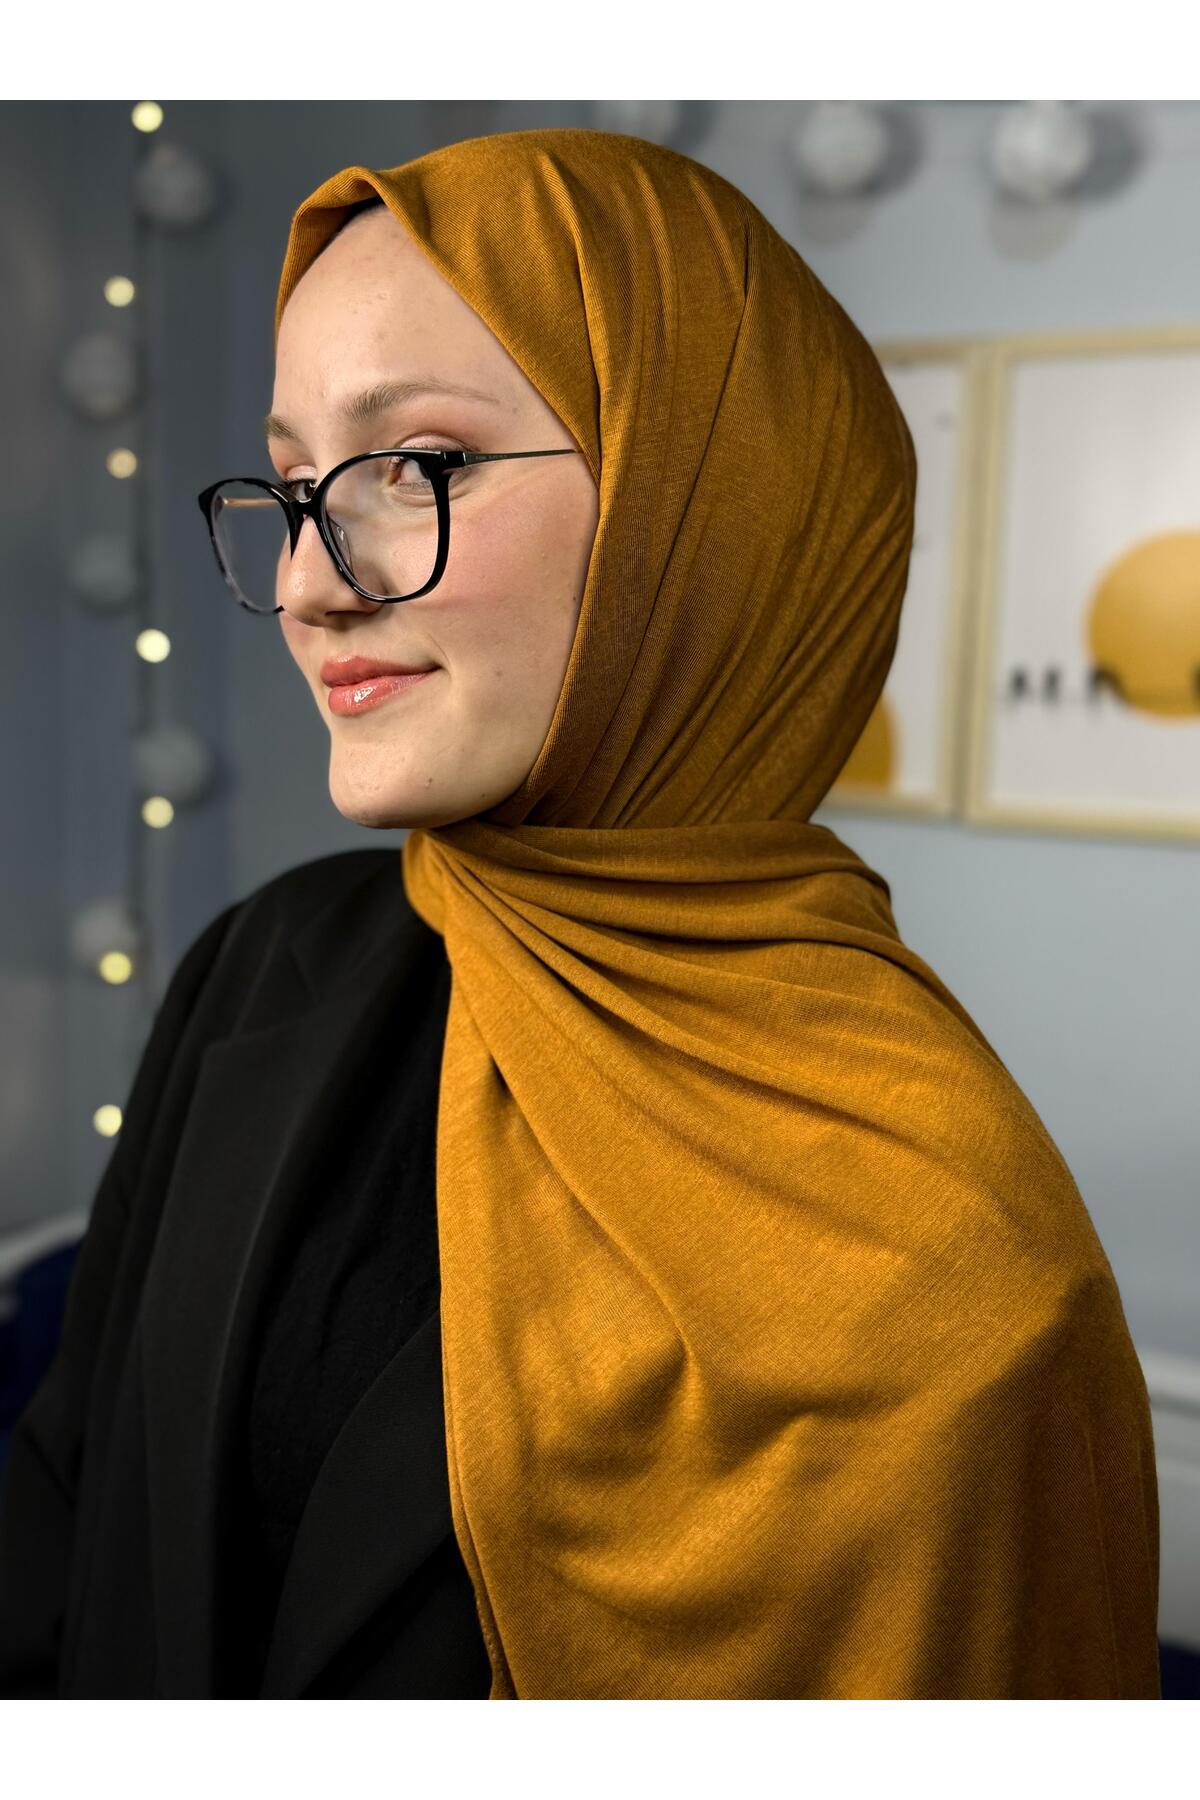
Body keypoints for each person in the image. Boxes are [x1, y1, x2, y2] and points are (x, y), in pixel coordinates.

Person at [0, 126, 1161, 1699]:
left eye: (417, 467)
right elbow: (65, 1529)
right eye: (294, 486)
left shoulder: (957, 1259)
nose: (309, 587)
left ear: (705, 515)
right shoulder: (265, 966)